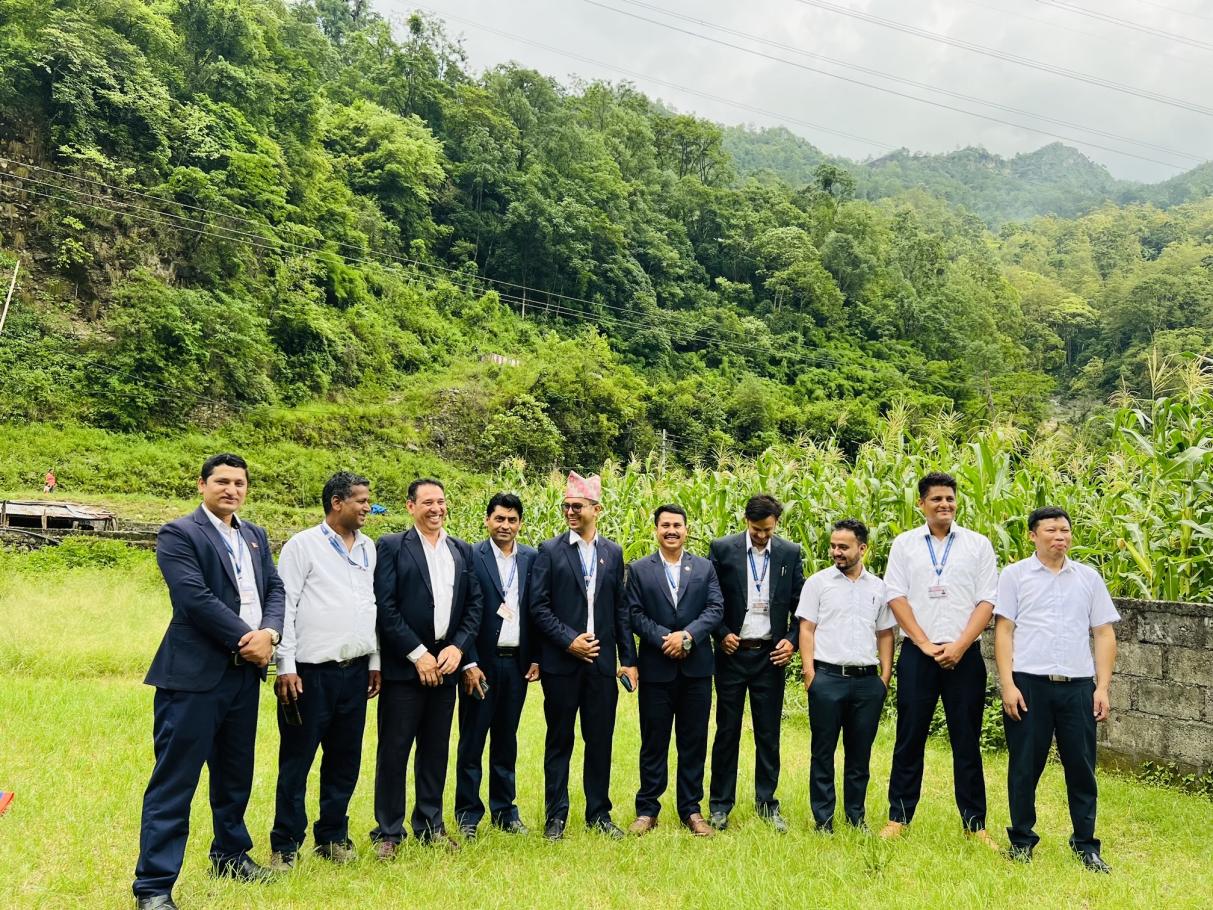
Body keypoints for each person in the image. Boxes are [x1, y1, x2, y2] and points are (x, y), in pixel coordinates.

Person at [132, 453, 286, 910]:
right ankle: (154, 886)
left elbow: (275, 589)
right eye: (222, 481)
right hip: (193, 678)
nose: (231, 490)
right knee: (175, 781)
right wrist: (247, 638)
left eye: (239, 483)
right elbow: (193, 598)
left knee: (235, 776)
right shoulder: (179, 533)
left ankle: (231, 856)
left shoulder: (254, 535)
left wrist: (270, 633)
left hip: (243, 677)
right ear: (202, 485)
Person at [268, 472, 382, 870]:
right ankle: (286, 843)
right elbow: (285, 606)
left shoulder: (368, 547)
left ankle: (332, 835)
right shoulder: (302, 546)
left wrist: (374, 661)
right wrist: (285, 666)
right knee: (297, 760)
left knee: (345, 759)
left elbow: (370, 607)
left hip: (355, 673)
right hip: (309, 675)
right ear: (337, 502)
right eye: (361, 501)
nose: (367, 507)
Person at [995, 506, 1119, 872]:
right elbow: (1004, 630)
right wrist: (1008, 684)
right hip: (1029, 685)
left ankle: (1086, 845)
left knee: (1082, 768)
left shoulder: (1088, 578)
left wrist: (1102, 687)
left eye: (1065, 530)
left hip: (1078, 687)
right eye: (1051, 530)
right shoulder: (1015, 576)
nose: (1060, 536)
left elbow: (1104, 633)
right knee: (1024, 767)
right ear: (1032, 535)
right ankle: (1021, 841)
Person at [881, 472, 999, 847]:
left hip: (965, 656)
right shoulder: (905, 545)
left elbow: (987, 600)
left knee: (967, 741)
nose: (944, 504)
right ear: (921, 504)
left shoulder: (978, 545)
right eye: (936, 499)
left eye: (949, 498)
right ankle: (898, 817)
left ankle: (975, 824)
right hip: (919, 655)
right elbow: (895, 596)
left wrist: (960, 645)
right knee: (909, 737)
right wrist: (925, 643)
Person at [370, 478, 483, 856]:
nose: (436, 509)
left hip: (446, 665)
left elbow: (474, 606)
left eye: (441, 502)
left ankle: (431, 824)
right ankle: (388, 831)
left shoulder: (461, 550)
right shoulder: (391, 546)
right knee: (394, 750)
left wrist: (458, 648)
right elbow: (385, 606)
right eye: (428, 502)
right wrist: (417, 653)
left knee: (435, 750)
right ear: (410, 506)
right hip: (406, 668)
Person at [529, 471, 637, 840]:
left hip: (601, 664)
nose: (570, 512)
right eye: (567, 506)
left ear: (597, 509)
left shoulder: (613, 553)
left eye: (577, 506)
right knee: (559, 740)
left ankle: (599, 814)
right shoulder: (550, 551)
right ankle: (556, 816)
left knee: (600, 740)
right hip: (562, 663)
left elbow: (620, 609)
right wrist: (568, 641)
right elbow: (539, 607)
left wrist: (628, 660)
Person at [707, 494, 804, 832]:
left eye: (768, 530)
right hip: (732, 653)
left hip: (770, 656)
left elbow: (801, 605)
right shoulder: (723, 549)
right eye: (756, 529)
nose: (762, 536)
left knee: (768, 732)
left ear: (776, 525)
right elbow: (711, 599)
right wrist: (721, 634)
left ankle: (767, 804)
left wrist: (791, 641)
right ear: (746, 521)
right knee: (727, 731)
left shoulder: (789, 553)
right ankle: (720, 805)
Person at [627, 504, 724, 837]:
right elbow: (634, 613)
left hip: (696, 671)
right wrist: (663, 638)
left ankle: (691, 810)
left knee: (693, 742)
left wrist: (688, 636)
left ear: (686, 529)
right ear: (656, 529)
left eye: (677, 525)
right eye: (665, 525)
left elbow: (715, 608)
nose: (671, 531)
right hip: (657, 669)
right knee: (653, 742)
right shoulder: (639, 569)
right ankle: (647, 809)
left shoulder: (705, 568)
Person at [797, 519, 896, 832]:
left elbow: (885, 633)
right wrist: (810, 673)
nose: (836, 552)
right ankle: (823, 820)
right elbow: (806, 629)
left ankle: (856, 818)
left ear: (862, 548)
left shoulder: (879, 588)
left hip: (867, 682)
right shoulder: (818, 583)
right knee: (822, 753)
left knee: (859, 755)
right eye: (833, 546)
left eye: (844, 547)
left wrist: (884, 677)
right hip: (827, 678)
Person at [454, 493, 539, 838]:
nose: (505, 525)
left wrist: (536, 656)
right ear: (487, 520)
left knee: (506, 740)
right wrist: (468, 662)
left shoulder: (531, 558)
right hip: (481, 666)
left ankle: (505, 811)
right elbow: (462, 612)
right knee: (472, 741)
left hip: (516, 664)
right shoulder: (471, 556)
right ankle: (468, 815)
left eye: (512, 520)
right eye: (499, 518)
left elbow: (537, 609)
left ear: (520, 523)